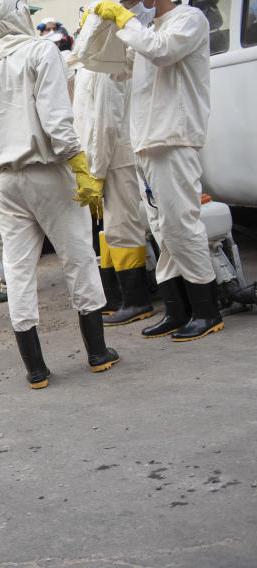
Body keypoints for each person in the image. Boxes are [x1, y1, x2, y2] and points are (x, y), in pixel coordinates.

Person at [0, 0, 119, 388]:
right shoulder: (42, 51)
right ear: (19, 17)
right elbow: (57, 120)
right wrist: (81, 167)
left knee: (17, 270)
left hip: (5, 184)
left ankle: (35, 369)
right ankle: (97, 354)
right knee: (79, 258)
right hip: (49, 173)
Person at [94, 0, 223, 341]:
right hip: (147, 143)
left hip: (173, 139)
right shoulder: (148, 29)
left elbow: (163, 52)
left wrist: (126, 19)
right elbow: (116, 69)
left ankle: (207, 311)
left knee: (182, 223)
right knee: (162, 229)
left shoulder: (189, 20)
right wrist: (104, 25)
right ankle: (177, 310)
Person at [70, 15, 153, 326]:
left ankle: (137, 301)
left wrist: (95, 170)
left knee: (124, 226)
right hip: (108, 157)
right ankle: (119, 297)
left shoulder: (104, 65)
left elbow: (103, 123)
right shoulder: (91, 64)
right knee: (112, 228)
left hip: (115, 157)